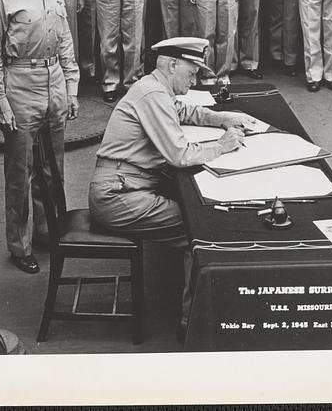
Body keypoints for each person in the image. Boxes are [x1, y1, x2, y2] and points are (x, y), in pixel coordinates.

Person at [88, 36, 252, 335]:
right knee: (197, 227)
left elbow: (184, 111)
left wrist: (221, 118)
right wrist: (223, 146)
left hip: (128, 184)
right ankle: (193, 323)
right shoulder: (152, 94)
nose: (195, 78)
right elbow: (180, 154)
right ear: (172, 64)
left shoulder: (155, 89)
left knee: (193, 208)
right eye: (191, 72)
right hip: (119, 196)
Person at [0, 0, 80, 275]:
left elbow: (66, 40)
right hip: (20, 81)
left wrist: (71, 87)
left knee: (53, 168)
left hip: (53, 78)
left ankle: (48, 231)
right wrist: (2, 105)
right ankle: (19, 245)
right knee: (20, 172)